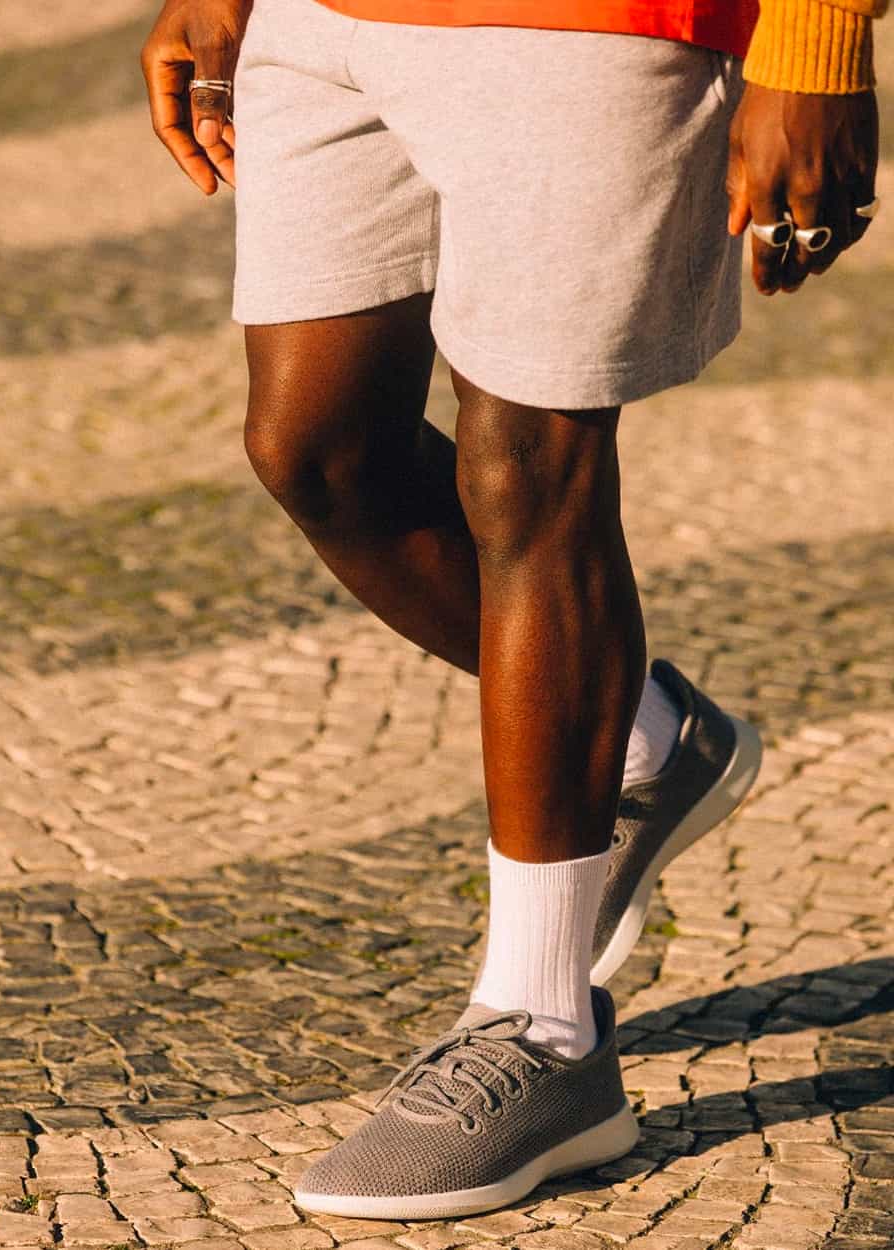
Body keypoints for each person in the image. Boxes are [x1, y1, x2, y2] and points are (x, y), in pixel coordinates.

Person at [141, 0, 884, 1220]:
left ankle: (545, 1030)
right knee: (316, 449)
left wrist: (815, 46)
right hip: (324, 19)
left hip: (598, 26)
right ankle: (649, 742)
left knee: (525, 467)